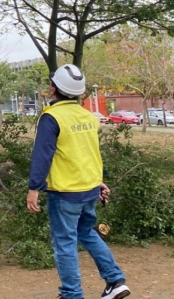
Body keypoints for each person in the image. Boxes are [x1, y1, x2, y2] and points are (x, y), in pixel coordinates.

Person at [26, 64, 130, 299]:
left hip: (65, 193)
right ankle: (115, 280)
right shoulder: (88, 116)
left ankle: (72, 295)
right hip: (89, 189)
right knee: (87, 232)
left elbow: (42, 155)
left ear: (54, 88)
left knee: (64, 243)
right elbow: (89, 152)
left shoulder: (51, 117)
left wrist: (34, 188)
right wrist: (99, 182)